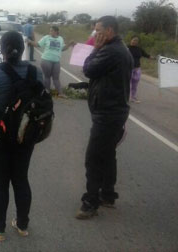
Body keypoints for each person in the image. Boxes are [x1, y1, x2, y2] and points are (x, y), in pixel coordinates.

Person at [0, 31, 44, 242]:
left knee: (0, 182)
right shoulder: (36, 73)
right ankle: (22, 225)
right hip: (26, 135)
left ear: (2, 50)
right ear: (23, 50)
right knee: (21, 179)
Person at [76, 16, 133, 219]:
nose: (95, 34)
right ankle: (108, 194)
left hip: (108, 114)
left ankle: (91, 202)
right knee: (108, 155)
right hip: (114, 111)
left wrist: (95, 49)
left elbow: (88, 69)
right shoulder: (120, 49)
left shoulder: (110, 51)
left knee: (94, 158)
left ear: (109, 31)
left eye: (98, 30)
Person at [27, 26, 75, 98]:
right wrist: (30, 42)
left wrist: (69, 44)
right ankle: (47, 92)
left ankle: (60, 93)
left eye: (52, 31)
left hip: (56, 61)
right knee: (47, 77)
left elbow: (62, 48)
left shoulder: (60, 39)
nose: (50, 32)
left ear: (56, 32)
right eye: (50, 31)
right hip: (46, 60)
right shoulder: (46, 37)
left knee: (56, 78)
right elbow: (38, 44)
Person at [127, 35, 152, 103]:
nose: (135, 41)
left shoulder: (139, 49)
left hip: (137, 69)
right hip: (128, 68)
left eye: (136, 41)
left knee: (135, 84)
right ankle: (125, 98)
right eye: (134, 40)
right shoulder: (126, 48)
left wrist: (153, 57)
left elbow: (146, 55)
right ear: (131, 40)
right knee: (126, 84)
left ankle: (133, 98)